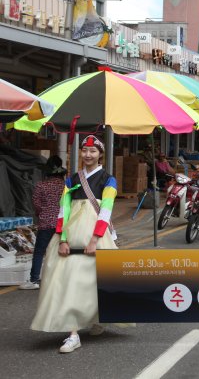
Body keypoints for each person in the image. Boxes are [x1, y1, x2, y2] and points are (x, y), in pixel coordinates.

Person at [31, 135, 119, 353]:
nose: (88, 155)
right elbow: (64, 210)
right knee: (68, 281)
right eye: (84, 150)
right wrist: (62, 238)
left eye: (93, 151)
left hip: (96, 236)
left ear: (100, 155)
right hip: (71, 236)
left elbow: (106, 210)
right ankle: (73, 333)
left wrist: (95, 238)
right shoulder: (71, 179)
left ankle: (97, 318)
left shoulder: (109, 180)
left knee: (97, 281)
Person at [20, 156, 67, 290]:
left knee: (40, 251)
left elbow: (37, 205)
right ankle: (62, 279)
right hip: (62, 223)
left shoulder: (41, 185)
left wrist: (42, 213)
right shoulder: (65, 186)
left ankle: (34, 279)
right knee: (63, 250)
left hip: (46, 223)